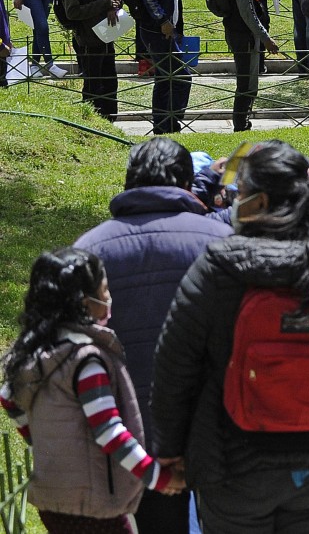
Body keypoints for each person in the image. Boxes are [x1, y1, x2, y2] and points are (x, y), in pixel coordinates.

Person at [152, 141, 309, 530]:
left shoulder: (219, 266)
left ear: (255, 199)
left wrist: (171, 451)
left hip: (233, 464)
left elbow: (175, 367)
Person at [72, 138, 230, 532]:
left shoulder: (89, 250)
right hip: (219, 431)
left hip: (126, 437)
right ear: (184, 181)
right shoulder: (223, 243)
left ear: (129, 181)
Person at [2, 248, 185, 533]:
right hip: (93, 504)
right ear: (85, 302)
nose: (109, 298)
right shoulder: (85, 362)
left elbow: (8, 398)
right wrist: (157, 478)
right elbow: (109, 431)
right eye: (105, 290)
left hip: (51, 501)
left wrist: (41, 440)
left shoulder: (37, 352)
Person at [222, 0, 280, 133]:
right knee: (247, 83)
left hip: (243, 32)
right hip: (244, 34)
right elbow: (247, 10)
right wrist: (265, 37)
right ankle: (241, 125)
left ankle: (243, 121)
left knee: (248, 81)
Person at [137, 0, 191, 135]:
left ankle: (163, 125)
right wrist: (162, 20)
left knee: (164, 79)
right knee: (181, 77)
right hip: (158, 31)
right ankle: (170, 121)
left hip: (167, 29)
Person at [60, 0, 122, 120]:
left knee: (110, 82)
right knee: (93, 85)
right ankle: (92, 123)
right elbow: (72, 11)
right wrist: (104, 4)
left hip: (106, 36)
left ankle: (110, 120)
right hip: (87, 40)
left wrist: (113, 4)